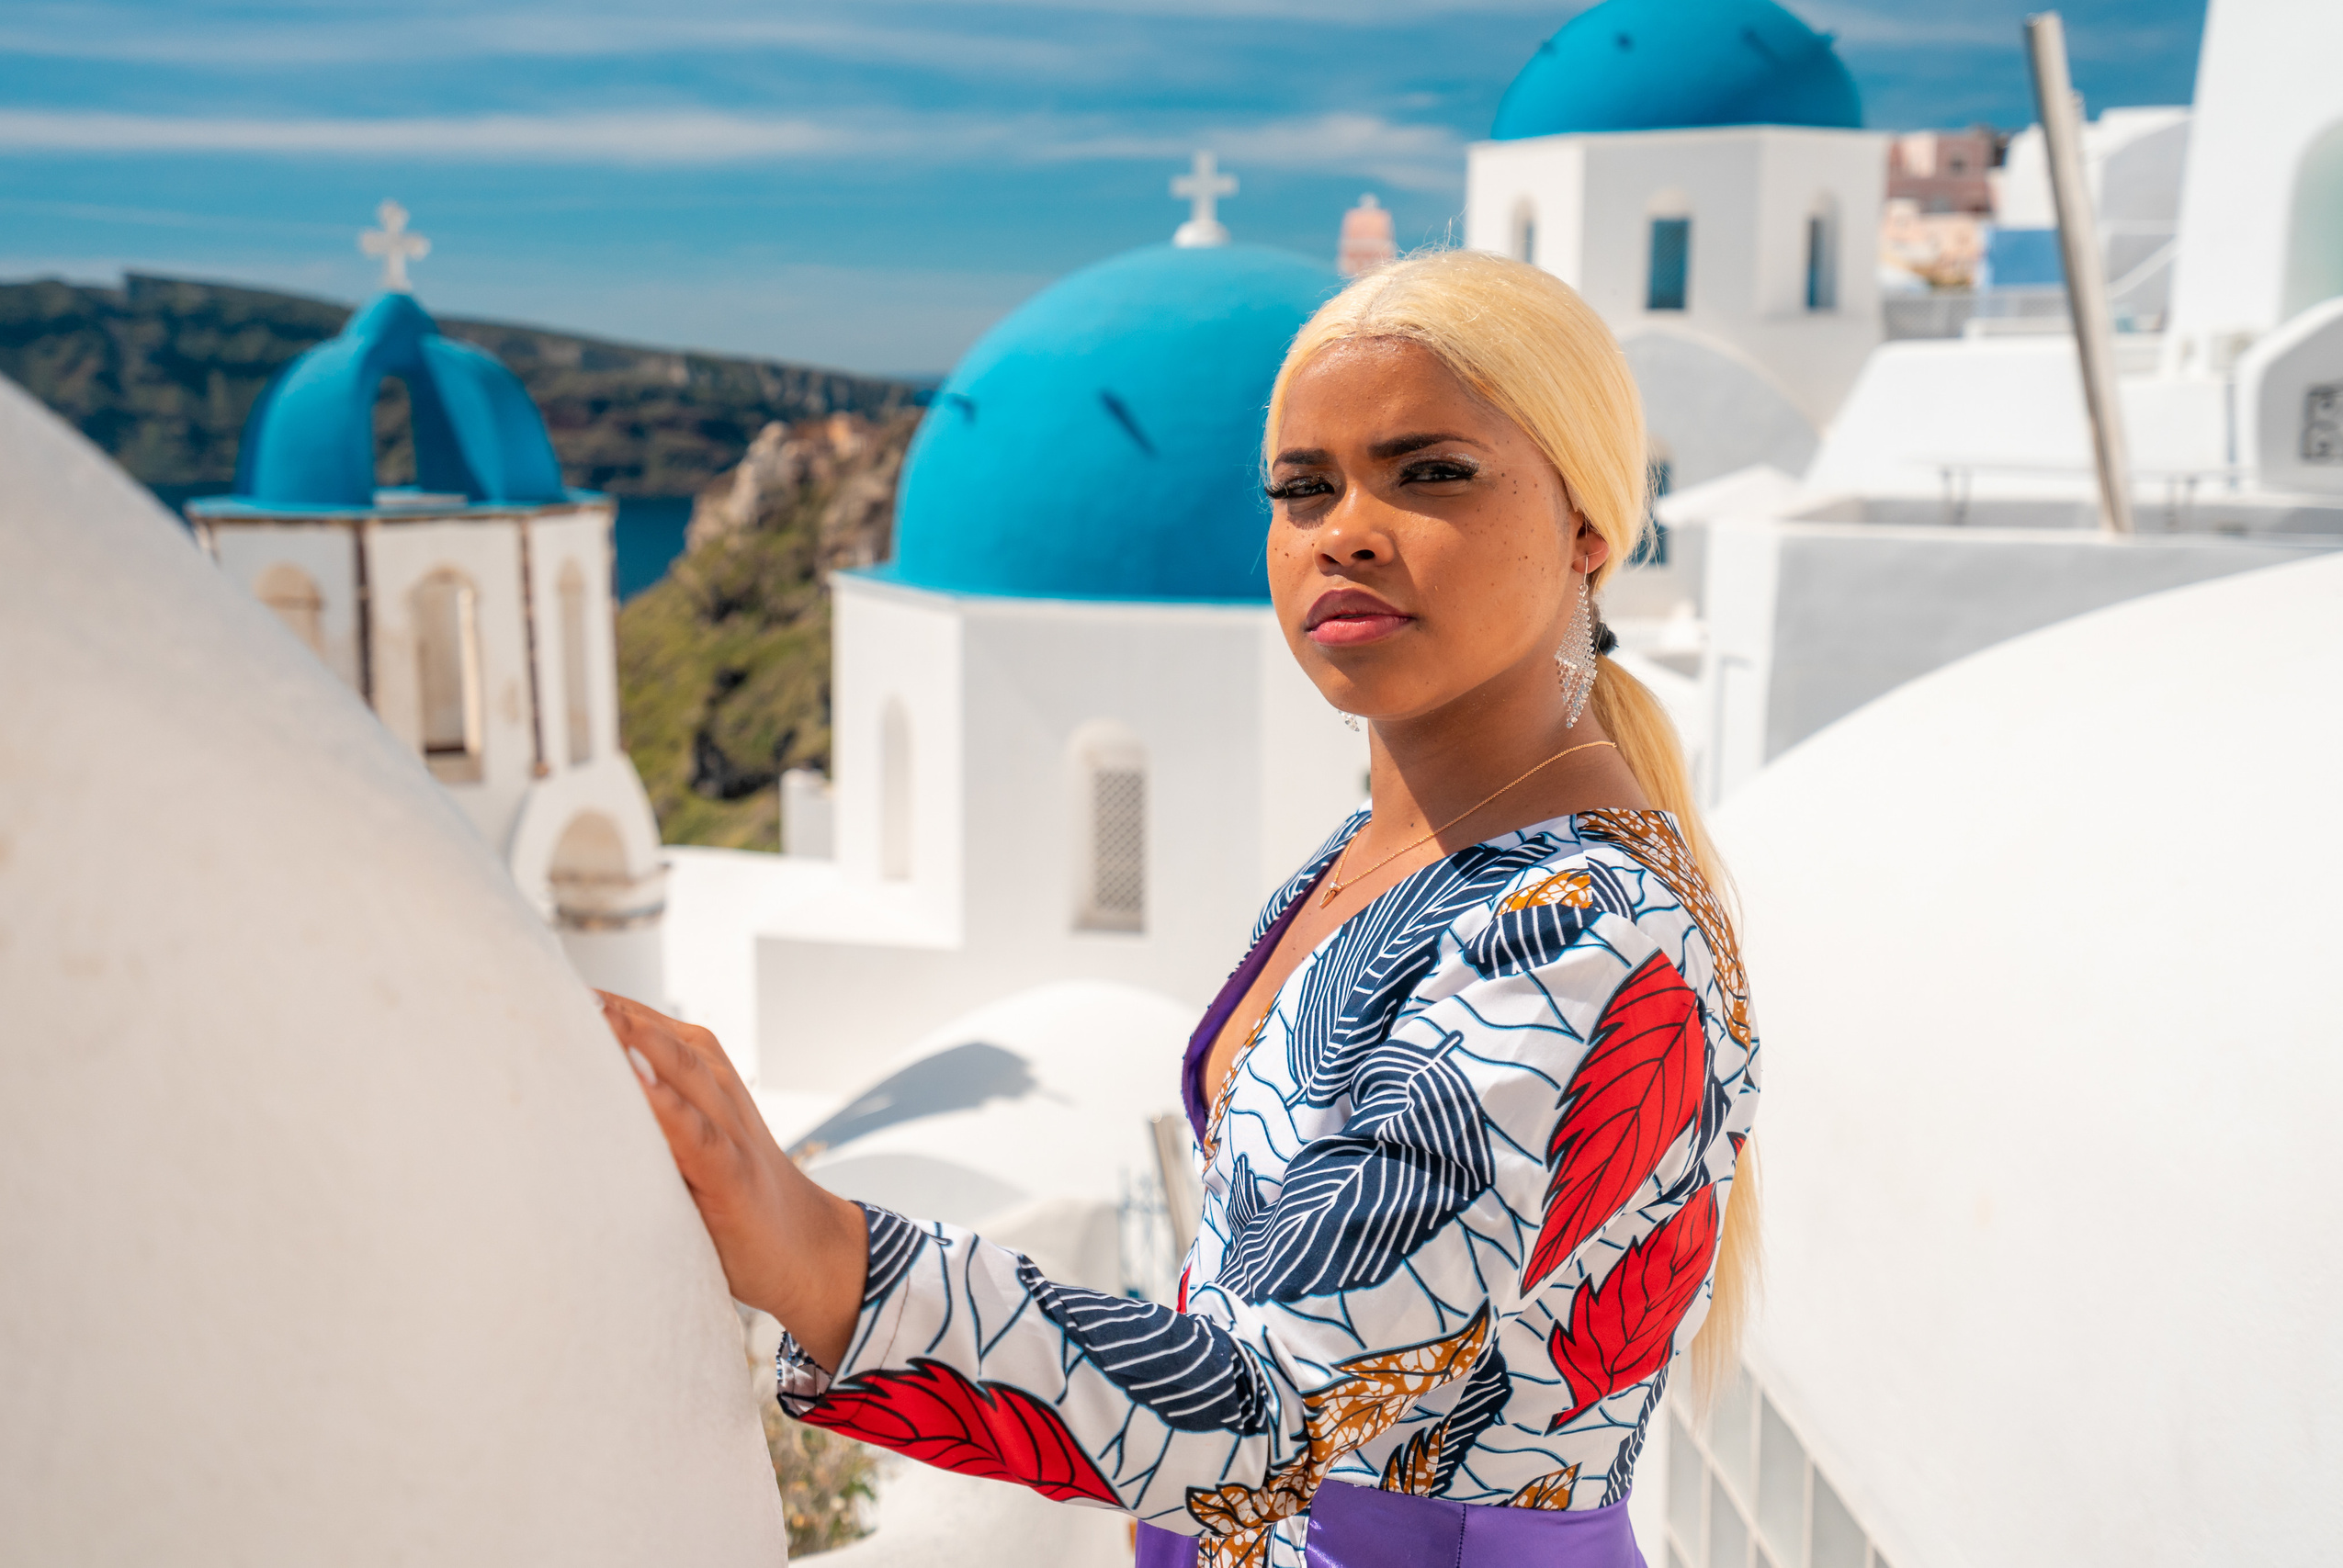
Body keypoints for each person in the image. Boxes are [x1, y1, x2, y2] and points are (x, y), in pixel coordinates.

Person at [601, 248, 1760, 1568]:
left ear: (1586, 530)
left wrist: (822, 1261)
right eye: (1302, 489)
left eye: (1429, 472)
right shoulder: (1394, 849)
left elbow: (1273, 1425)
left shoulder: (1579, 927)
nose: (1348, 530)